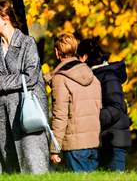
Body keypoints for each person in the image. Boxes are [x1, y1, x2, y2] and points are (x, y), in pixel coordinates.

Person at [0, 0, 49, 173]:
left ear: (5, 18)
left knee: (33, 164)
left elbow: (30, 78)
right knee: (7, 168)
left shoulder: (27, 43)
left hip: (27, 113)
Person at [47, 33, 101, 172]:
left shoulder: (60, 79)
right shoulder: (92, 76)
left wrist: (54, 148)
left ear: (57, 52)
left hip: (74, 145)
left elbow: (60, 116)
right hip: (93, 143)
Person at [77, 38, 131, 171]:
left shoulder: (108, 76)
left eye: (78, 57)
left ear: (84, 57)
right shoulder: (98, 75)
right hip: (105, 138)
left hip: (113, 140)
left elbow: (116, 107)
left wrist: (93, 118)